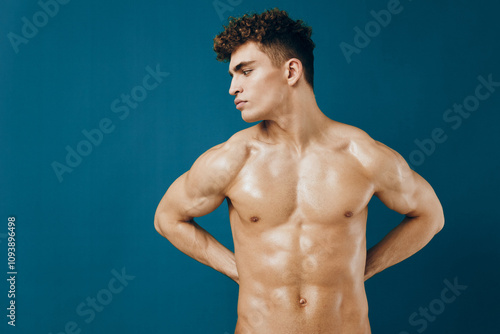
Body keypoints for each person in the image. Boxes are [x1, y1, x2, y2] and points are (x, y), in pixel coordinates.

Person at [154, 8, 444, 334]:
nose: (233, 87)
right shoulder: (232, 159)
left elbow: (430, 215)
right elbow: (167, 217)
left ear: (291, 71)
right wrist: (239, 270)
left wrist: (364, 269)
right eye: (232, 75)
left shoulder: (361, 154)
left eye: (245, 72)